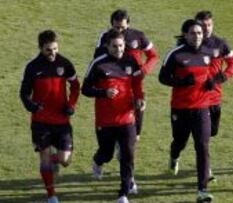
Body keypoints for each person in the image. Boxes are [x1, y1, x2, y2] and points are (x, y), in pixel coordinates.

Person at [82, 29, 142, 203]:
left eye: (121, 45)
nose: (118, 49)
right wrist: (104, 92)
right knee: (106, 153)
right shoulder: (98, 64)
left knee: (127, 154)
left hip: (127, 118)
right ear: (107, 46)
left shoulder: (131, 61)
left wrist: (139, 99)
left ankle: (124, 191)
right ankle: (98, 161)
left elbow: (137, 84)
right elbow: (86, 89)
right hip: (106, 120)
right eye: (114, 46)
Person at [20, 30, 80, 203]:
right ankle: (51, 195)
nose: (52, 53)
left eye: (55, 48)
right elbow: (24, 93)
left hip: (62, 120)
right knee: (44, 158)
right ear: (40, 48)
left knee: (65, 160)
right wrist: (31, 106)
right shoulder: (32, 67)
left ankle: (55, 157)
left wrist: (71, 105)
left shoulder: (65, 63)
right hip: (41, 122)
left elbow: (75, 86)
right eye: (48, 49)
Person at [159, 19, 216, 203]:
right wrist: (182, 83)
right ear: (185, 34)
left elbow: (211, 74)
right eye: (193, 33)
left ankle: (202, 189)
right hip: (181, 108)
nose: (197, 36)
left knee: (202, 146)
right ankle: (174, 156)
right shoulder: (175, 55)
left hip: (202, 108)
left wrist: (212, 82)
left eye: (199, 33)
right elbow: (163, 78)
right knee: (179, 142)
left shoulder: (208, 53)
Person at [94, 9, 159, 139]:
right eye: (116, 27)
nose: (119, 31)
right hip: (115, 79)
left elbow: (153, 56)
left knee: (139, 107)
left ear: (128, 24)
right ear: (111, 25)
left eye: (122, 28)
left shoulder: (138, 36)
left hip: (135, 79)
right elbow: (97, 58)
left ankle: (134, 137)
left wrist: (144, 69)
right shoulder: (105, 37)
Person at [194, 10, 233, 183]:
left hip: (215, 97)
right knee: (204, 137)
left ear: (212, 25)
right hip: (198, 99)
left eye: (208, 25)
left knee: (212, 132)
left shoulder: (220, 44)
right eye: (202, 25)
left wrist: (222, 77)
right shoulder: (190, 43)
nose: (205, 29)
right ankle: (207, 170)